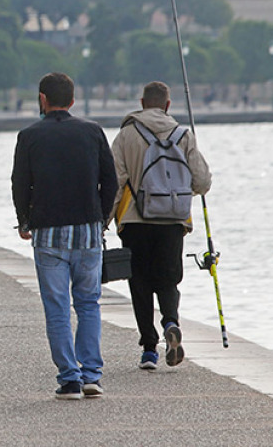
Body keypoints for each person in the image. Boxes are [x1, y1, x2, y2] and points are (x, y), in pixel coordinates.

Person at [11, 72, 117, 400]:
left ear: (43, 99)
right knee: (88, 304)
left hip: (48, 234)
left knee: (56, 307)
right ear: (72, 100)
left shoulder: (29, 136)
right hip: (87, 231)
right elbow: (111, 182)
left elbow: (19, 184)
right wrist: (99, 220)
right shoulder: (92, 131)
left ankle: (69, 378)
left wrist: (24, 221)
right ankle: (91, 376)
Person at [110, 81, 212, 370]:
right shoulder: (183, 135)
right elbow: (202, 182)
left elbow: (115, 182)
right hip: (173, 221)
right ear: (168, 105)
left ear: (142, 103)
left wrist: (104, 220)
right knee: (169, 279)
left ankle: (149, 350)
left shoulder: (126, 134)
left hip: (134, 221)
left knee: (140, 283)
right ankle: (170, 322)